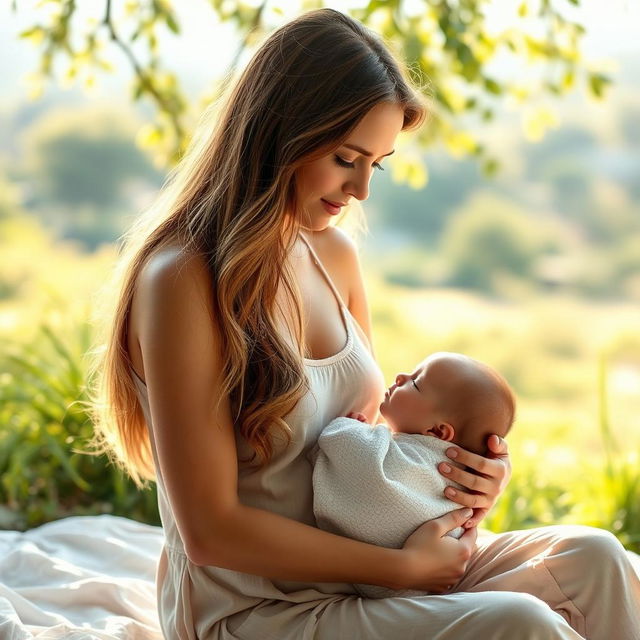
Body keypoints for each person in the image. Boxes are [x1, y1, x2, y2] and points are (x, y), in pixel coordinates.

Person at [90, 7, 640, 640]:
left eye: (375, 164)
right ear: (280, 135)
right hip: (259, 610)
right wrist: (402, 570)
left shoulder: (335, 256)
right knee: (517, 623)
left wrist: (460, 477)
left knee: (593, 558)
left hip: (365, 580)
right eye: (346, 157)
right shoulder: (183, 280)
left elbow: (362, 441)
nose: (360, 191)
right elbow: (211, 531)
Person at [308, 352, 515, 599]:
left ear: (437, 431)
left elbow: (349, 450)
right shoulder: (443, 467)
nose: (400, 377)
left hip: (413, 578)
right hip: (424, 575)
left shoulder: (418, 463)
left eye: (415, 382)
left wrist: (352, 429)